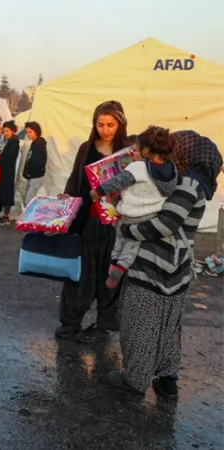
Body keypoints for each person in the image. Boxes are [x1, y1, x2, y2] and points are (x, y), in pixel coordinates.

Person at [106, 131, 222, 398]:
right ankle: (167, 381)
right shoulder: (191, 182)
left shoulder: (187, 184)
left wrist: (126, 230)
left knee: (140, 323)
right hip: (176, 268)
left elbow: (165, 224)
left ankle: (134, 380)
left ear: (185, 152)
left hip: (153, 265)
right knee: (169, 327)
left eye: (175, 148)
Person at [55, 100, 128, 344]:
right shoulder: (87, 148)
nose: (105, 130)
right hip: (89, 222)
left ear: (120, 124)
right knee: (80, 275)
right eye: (100, 124)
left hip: (117, 226)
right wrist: (68, 198)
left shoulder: (128, 152)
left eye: (110, 124)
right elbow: (76, 178)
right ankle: (70, 322)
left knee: (110, 276)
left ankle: (103, 324)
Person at [90, 126, 177, 289]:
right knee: (133, 244)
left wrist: (98, 191)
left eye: (136, 150)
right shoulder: (172, 169)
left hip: (130, 215)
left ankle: (115, 263)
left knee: (120, 238)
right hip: (151, 217)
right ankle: (120, 267)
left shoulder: (139, 167)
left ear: (147, 150)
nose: (134, 154)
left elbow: (117, 181)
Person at [22, 121, 48, 207]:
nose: (28, 134)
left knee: (29, 200)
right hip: (33, 176)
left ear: (36, 131)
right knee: (28, 199)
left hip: (36, 176)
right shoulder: (35, 143)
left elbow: (39, 162)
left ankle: (30, 219)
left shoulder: (39, 144)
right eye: (27, 132)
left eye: (30, 132)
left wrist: (30, 173)